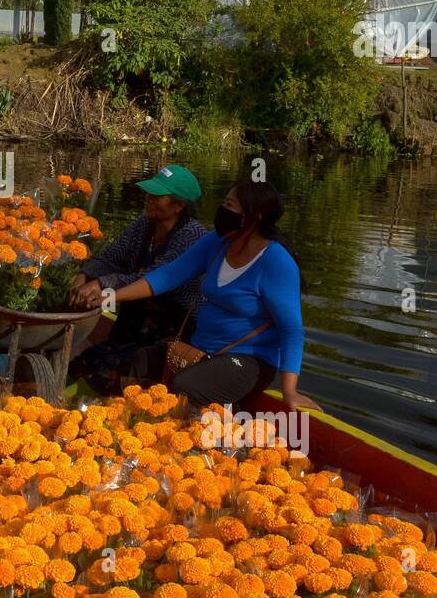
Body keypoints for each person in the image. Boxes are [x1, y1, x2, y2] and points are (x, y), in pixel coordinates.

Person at [91, 179, 318, 412]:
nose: (223, 210)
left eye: (230, 205)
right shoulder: (218, 242)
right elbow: (167, 276)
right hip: (203, 349)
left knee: (186, 386)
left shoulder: (276, 262)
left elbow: (291, 330)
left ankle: (190, 442)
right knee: (142, 360)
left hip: (248, 360)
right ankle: (132, 420)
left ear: (255, 216)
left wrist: (289, 391)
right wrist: (110, 297)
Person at [67, 164, 207, 394]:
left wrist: (104, 284)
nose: (149, 199)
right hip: (132, 324)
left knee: (112, 372)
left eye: (157, 196)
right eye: (149, 193)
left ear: (178, 206)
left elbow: (153, 277)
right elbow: (110, 258)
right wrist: (85, 275)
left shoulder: (192, 236)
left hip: (169, 334)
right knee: (83, 363)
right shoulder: (144, 225)